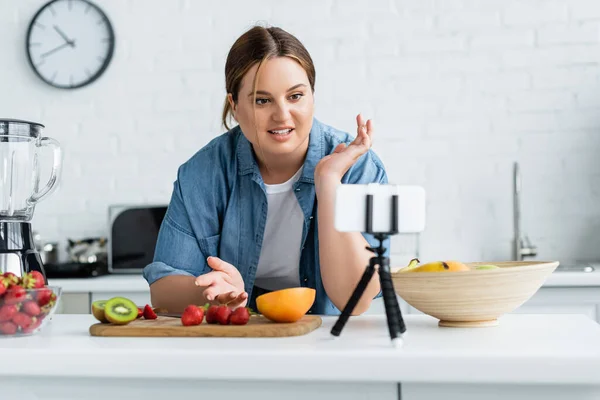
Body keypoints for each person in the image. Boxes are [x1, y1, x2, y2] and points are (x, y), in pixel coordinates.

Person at [143, 25, 390, 315]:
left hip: (328, 340)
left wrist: (329, 182)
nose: (282, 115)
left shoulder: (358, 168)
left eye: (295, 96)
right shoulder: (203, 173)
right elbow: (162, 291)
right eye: (262, 100)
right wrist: (217, 293)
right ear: (234, 105)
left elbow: (354, 300)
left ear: (312, 95)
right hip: (239, 336)